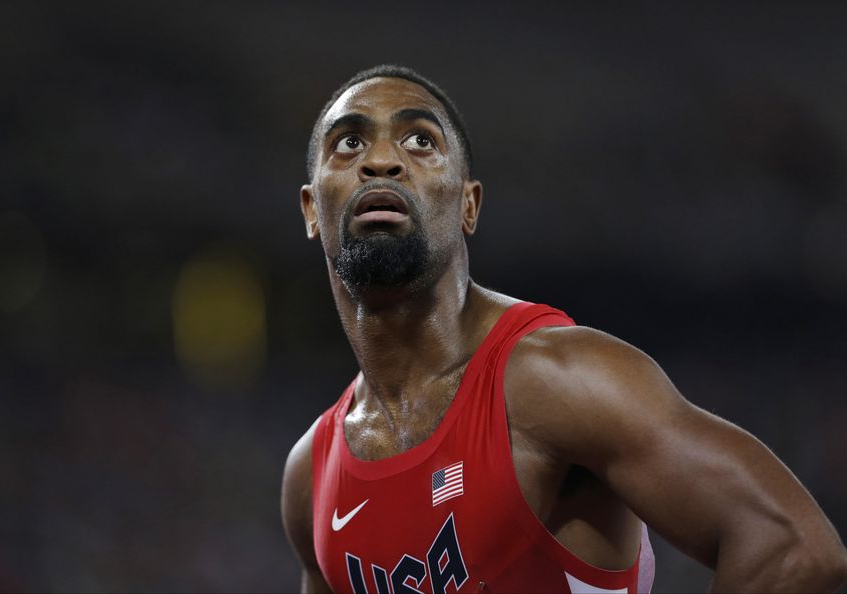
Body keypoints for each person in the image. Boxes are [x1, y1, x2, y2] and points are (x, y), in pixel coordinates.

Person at [280, 64, 847, 593]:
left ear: (467, 207)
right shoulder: (311, 476)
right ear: (311, 209)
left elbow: (793, 547)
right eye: (349, 142)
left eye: (420, 140)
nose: (382, 160)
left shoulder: (556, 380)